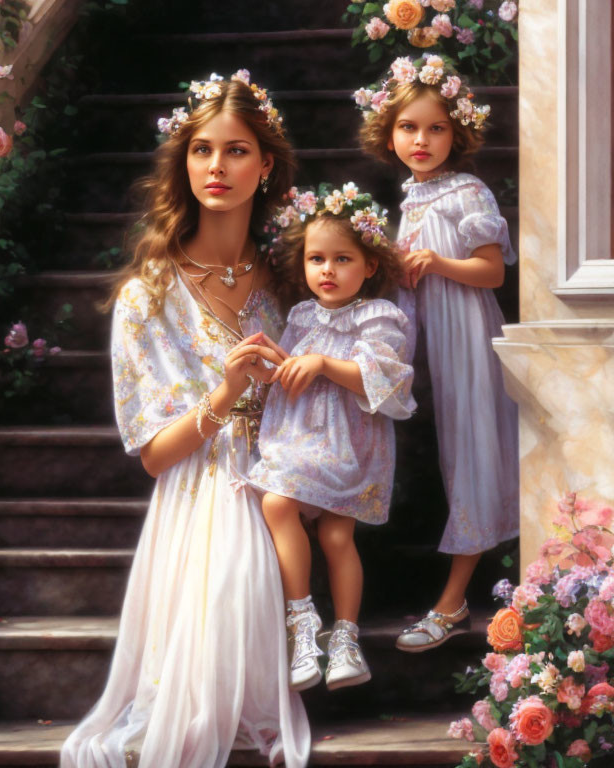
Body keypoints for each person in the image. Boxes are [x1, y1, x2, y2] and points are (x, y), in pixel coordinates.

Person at [59, 70, 310, 768]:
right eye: (202, 150)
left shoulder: (297, 277)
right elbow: (154, 455)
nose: (216, 167)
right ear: (184, 161)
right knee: (233, 540)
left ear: (265, 165)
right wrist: (225, 395)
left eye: (235, 151)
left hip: (297, 478)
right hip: (201, 491)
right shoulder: (149, 295)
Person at [355, 55, 519, 651]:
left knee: (472, 448)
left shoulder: (466, 190)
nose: (420, 140)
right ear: (389, 133)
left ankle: (452, 606)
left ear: (457, 133)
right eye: (408, 128)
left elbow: (492, 272)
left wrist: (436, 263)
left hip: (467, 335)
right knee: (449, 451)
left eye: (435, 128)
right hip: (429, 335)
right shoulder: (413, 195)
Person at [247, 184, 415, 691]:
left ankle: (345, 638)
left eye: (343, 259)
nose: (327, 270)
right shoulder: (300, 317)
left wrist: (322, 362)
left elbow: (382, 379)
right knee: (278, 506)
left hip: (350, 443)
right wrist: (273, 361)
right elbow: (293, 374)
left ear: (368, 266)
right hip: (301, 436)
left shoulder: (379, 316)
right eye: (316, 258)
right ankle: (304, 626)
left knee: (337, 534)